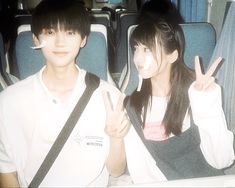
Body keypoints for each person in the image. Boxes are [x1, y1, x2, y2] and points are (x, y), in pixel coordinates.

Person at [0, 0, 129, 187]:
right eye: (50, 32)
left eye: (69, 32)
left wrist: (116, 137)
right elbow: (7, 173)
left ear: (83, 39)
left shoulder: (108, 96)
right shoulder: (9, 102)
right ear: (36, 39)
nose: (60, 42)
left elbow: (116, 170)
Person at [123, 0, 235, 184]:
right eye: (136, 48)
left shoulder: (197, 93)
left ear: (172, 55)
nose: (138, 57)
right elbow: (142, 172)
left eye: (148, 49)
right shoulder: (132, 105)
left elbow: (221, 160)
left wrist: (205, 102)